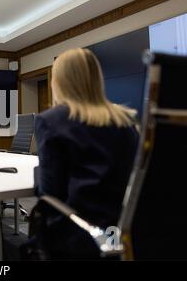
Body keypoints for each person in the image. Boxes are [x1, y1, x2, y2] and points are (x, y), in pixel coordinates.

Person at [32, 48, 139, 259]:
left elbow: (49, 194)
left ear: (59, 82)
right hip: (123, 231)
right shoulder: (126, 121)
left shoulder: (52, 120)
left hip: (76, 234)